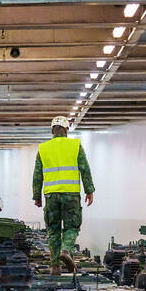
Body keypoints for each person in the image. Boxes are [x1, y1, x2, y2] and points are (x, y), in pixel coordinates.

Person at [33, 115, 95, 274]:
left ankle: (55, 266)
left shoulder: (43, 148)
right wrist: (89, 190)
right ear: (66, 130)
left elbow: (37, 175)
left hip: (51, 196)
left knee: (53, 231)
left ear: (52, 130)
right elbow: (85, 169)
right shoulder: (75, 145)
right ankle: (66, 250)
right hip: (71, 195)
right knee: (72, 227)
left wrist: (37, 197)